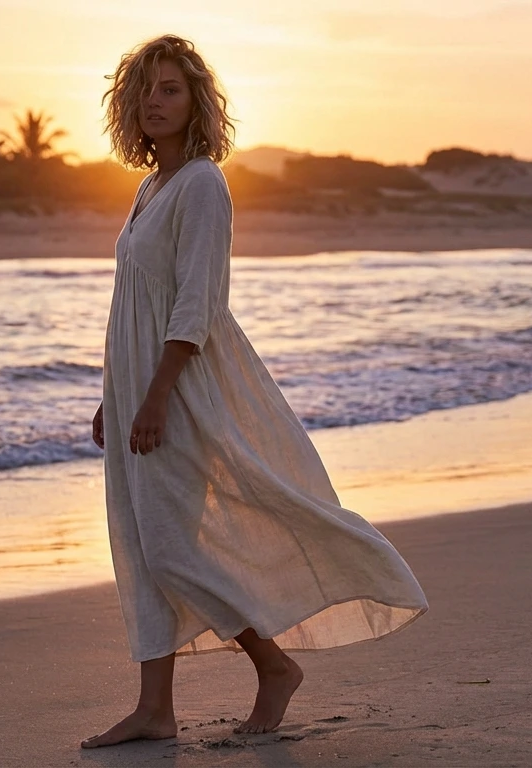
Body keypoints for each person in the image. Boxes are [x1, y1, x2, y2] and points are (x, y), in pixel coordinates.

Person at [83, 34, 428, 749]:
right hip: (141, 387)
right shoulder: (153, 186)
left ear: (197, 102)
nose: (155, 101)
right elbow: (134, 304)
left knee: (174, 547)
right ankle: (155, 708)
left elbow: (197, 302)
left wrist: (154, 396)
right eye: (146, 89)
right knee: (143, 543)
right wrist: (113, 394)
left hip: (178, 388)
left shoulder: (204, 183)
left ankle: (273, 665)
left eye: (171, 89)